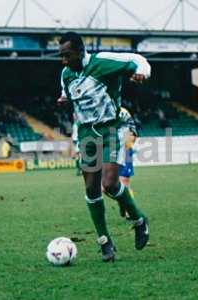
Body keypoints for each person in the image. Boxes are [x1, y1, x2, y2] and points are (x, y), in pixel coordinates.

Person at [57, 32, 150, 262]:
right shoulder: (66, 74)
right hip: (87, 134)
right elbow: (67, 94)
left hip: (111, 129)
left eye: (67, 55)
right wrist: (64, 99)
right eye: (61, 56)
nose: (64, 61)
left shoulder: (102, 62)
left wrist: (142, 73)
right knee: (91, 189)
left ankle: (139, 220)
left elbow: (138, 59)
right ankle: (105, 241)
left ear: (80, 51)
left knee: (109, 183)